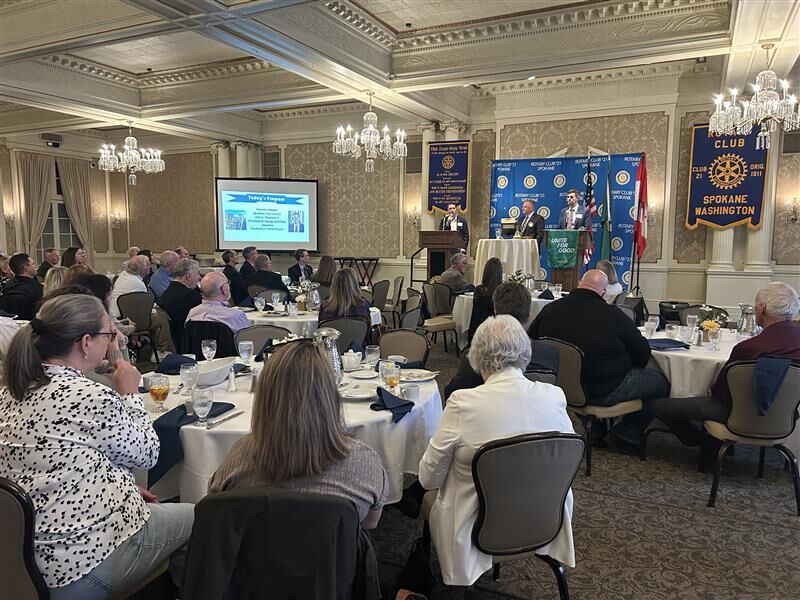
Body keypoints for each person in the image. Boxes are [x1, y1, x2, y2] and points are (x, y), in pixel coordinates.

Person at [0, 294, 194, 599]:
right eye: (108, 334)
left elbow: (52, 461)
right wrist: (130, 394)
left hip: (20, 561)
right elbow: (148, 455)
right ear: (86, 342)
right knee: (205, 518)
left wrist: (120, 485)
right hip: (80, 563)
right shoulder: (89, 395)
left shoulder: (10, 392)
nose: (112, 341)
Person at [419, 315, 575, 586]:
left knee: (431, 494)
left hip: (476, 528)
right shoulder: (554, 396)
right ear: (525, 353)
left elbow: (428, 478)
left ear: (477, 357)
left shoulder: (462, 404)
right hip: (544, 519)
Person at [209, 339, 387, 529]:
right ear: (330, 396)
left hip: (255, 547)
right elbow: (370, 522)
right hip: (331, 548)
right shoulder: (364, 461)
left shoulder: (239, 456)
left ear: (264, 398)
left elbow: (216, 507)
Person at [529, 269, 669, 447]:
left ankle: (595, 428)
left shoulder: (550, 309)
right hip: (604, 390)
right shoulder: (614, 315)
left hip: (561, 385)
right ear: (603, 292)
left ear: (579, 283)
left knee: (581, 375)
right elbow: (642, 352)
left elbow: (533, 340)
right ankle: (627, 432)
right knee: (661, 383)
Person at [652, 282, 800, 447]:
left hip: (736, 413)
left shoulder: (749, 348)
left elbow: (721, 392)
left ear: (762, 307)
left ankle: (702, 442)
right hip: (786, 415)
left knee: (658, 406)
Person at [446, 281, 559, 400]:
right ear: (529, 315)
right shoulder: (550, 354)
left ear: (495, 312)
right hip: (536, 409)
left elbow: (452, 394)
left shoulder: (477, 356)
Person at [157, 258, 202, 349]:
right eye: (198, 273)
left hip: (173, 339)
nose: (199, 277)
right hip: (186, 342)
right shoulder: (191, 297)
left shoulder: (168, 292)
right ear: (188, 276)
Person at [186, 271, 250, 334]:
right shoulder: (236, 316)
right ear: (224, 289)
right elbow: (248, 338)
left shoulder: (192, 313)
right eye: (228, 283)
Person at [467, 257, 502, 340]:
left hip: (482, 327)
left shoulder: (480, 290)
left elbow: (475, 315)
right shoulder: (503, 290)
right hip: (499, 329)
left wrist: (471, 335)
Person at [0, 253, 43, 319]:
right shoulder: (37, 288)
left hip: (10, 322)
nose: (36, 267)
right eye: (33, 264)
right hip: (31, 323)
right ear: (26, 268)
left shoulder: (7, 285)